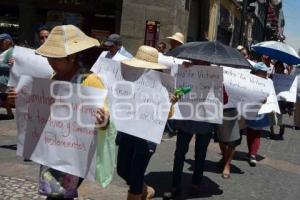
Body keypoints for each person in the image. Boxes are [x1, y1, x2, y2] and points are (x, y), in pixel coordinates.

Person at [35, 25, 114, 200]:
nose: (49, 61)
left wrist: (104, 120)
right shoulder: (53, 79)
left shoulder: (90, 81)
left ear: (71, 57)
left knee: (60, 195)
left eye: (55, 58)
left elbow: (105, 119)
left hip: (74, 152)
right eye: (49, 57)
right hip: (52, 149)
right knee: (53, 194)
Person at [116, 45, 178, 200]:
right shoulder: (128, 76)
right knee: (122, 170)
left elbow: (168, 115)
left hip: (147, 136)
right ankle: (146, 190)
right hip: (128, 130)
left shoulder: (162, 83)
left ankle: (139, 191)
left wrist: (170, 103)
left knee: (136, 174)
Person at [163, 60, 215, 199]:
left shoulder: (215, 76)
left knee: (200, 154)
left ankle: (196, 184)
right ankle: (175, 186)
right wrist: (176, 94)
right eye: (199, 60)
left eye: (204, 62)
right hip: (186, 119)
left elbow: (224, 99)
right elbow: (182, 90)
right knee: (179, 154)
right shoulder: (189, 72)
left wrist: (219, 87)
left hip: (205, 120)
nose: (201, 63)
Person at [246, 62, 270, 167]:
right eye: (263, 72)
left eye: (266, 72)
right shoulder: (248, 81)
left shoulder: (267, 83)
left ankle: (253, 154)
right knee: (250, 132)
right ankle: (251, 152)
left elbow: (269, 97)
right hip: (250, 110)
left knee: (257, 134)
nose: (265, 74)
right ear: (257, 72)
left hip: (260, 112)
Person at [215, 86, 241, 179]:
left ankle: (227, 165)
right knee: (220, 139)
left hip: (234, 109)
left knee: (232, 142)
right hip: (217, 109)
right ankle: (225, 158)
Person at [0, 33, 15, 120]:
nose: (0, 43)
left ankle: (10, 114)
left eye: (2, 41)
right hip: (2, 79)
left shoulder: (11, 51)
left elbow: (11, 66)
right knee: (4, 98)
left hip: (4, 80)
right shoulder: (4, 51)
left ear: (8, 42)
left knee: (4, 97)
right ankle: (10, 114)